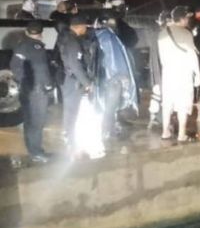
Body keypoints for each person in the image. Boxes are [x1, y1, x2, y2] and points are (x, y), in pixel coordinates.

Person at [10, 21, 54, 163]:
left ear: (27, 31)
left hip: (27, 89)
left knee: (29, 121)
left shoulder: (21, 45)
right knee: (37, 122)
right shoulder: (36, 47)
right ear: (41, 34)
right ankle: (36, 152)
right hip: (37, 90)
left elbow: (15, 67)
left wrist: (23, 82)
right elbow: (42, 71)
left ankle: (32, 149)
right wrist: (47, 85)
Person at [158, 6, 200, 141]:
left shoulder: (162, 33)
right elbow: (192, 55)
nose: (188, 20)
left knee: (167, 103)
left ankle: (165, 131)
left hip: (168, 73)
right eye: (187, 17)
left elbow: (161, 57)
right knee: (183, 104)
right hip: (183, 74)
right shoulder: (186, 34)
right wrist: (197, 74)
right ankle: (181, 134)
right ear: (182, 19)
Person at [95, 13, 138, 141]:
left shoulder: (105, 36)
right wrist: (119, 76)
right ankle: (106, 131)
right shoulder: (107, 37)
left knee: (112, 105)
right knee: (111, 106)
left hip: (108, 77)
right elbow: (113, 59)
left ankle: (110, 128)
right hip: (113, 78)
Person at [58, 15, 94, 147]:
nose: (86, 29)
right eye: (85, 26)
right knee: (71, 109)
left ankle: (68, 133)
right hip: (72, 80)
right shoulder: (73, 42)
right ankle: (69, 136)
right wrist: (87, 83)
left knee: (70, 108)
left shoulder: (68, 38)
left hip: (69, 78)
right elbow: (75, 65)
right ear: (78, 27)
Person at [147, 11, 169, 129]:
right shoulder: (162, 34)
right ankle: (157, 118)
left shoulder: (155, 33)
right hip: (160, 69)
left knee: (157, 93)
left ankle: (154, 117)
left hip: (156, 69)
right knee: (160, 94)